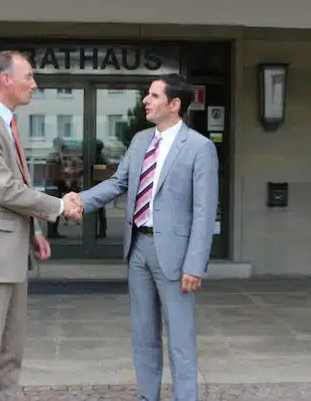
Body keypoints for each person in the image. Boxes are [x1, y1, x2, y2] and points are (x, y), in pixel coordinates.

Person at [68, 74, 219, 401]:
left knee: (180, 339)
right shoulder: (140, 141)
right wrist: (80, 200)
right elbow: (118, 183)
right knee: (143, 336)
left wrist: (195, 264)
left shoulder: (199, 148)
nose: (145, 101)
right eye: (146, 95)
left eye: (153, 96)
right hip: (137, 248)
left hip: (177, 257)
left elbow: (204, 211)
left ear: (174, 104)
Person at [0, 50, 82, 401]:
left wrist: (34, 234)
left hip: (10, 255)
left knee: (10, 353)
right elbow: (4, 189)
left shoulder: (6, 123)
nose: (34, 84)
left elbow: (14, 188)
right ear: (5, 79)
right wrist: (58, 206)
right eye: (29, 77)